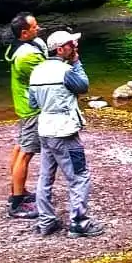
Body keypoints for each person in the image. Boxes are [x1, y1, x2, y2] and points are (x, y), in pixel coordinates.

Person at [28, 31, 104, 238]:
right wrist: (77, 62)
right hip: (65, 132)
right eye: (72, 44)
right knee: (79, 177)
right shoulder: (66, 71)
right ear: (60, 50)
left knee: (45, 177)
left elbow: (32, 104)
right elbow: (84, 86)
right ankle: (79, 223)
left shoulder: (36, 72)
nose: (75, 47)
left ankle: (46, 221)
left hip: (44, 130)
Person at [4, 13, 47, 219]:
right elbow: (46, 75)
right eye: (34, 26)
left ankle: (16, 190)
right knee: (26, 152)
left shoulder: (19, 47)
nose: (38, 28)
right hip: (31, 109)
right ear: (24, 32)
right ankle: (16, 203)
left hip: (23, 106)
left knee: (20, 147)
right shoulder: (27, 56)